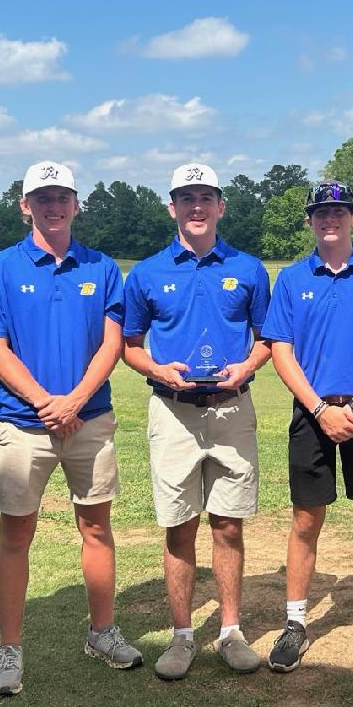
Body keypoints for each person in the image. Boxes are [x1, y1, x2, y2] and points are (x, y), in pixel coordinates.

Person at [0, 160, 141, 696]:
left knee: (96, 528)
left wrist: (76, 400)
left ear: (76, 203)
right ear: (25, 205)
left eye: (62, 196)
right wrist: (47, 402)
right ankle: (10, 649)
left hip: (89, 418)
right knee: (16, 533)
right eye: (42, 197)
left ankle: (102, 632)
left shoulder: (102, 267)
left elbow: (113, 343)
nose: (53, 205)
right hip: (24, 422)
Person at [123, 163, 271, 680]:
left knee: (228, 525)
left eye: (206, 197)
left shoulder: (249, 269)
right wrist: (159, 369)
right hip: (172, 412)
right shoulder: (144, 273)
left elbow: (267, 339)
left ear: (221, 206)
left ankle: (230, 632)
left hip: (231, 409)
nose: (197, 207)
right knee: (178, 525)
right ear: (172, 207)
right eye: (186, 198)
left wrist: (248, 365)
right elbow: (130, 347)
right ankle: (183, 636)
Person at [260, 180, 353, 673]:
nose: (331, 219)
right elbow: (280, 349)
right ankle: (295, 623)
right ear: (310, 220)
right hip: (311, 413)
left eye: (340, 211)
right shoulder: (291, 279)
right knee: (306, 520)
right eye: (321, 212)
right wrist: (321, 410)